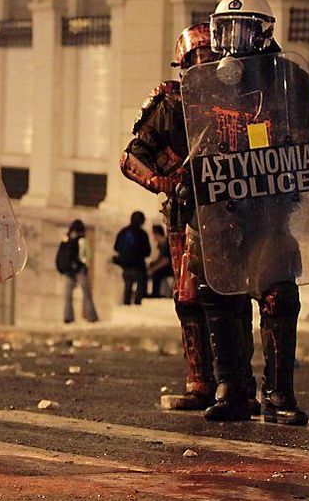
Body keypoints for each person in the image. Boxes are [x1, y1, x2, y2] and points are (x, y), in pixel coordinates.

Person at [120, 23, 257, 412]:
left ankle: (239, 383)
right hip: (186, 213)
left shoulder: (238, 99)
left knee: (234, 295)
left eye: (209, 61)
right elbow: (131, 158)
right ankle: (201, 383)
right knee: (189, 298)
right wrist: (164, 181)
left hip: (233, 213)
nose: (202, 68)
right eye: (194, 62)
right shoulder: (170, 104)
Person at [194, 0, 309, 425]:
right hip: (224, 211)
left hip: (270, 207)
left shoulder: (291, 79)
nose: (232, 43)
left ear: (263, 33)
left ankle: (279, 393)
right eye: (224, 31)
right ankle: (233, 388)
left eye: (243, 30)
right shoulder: (206, 82)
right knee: (218, 291)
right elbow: (198, 139)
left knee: (278, 294)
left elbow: (304, 144)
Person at [57, 220, 98, 324]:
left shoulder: (65, 239)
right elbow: (88, 255)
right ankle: (91, 317)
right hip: (80, 269)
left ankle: (68, 317)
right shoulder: (83, 241)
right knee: (87, 294)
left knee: (68, 296)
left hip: (68, 271)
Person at [114, 211, 151, 305]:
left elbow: (116, 247)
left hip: (125, 266)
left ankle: (126, 302)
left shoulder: (123, 232)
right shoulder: (142, 234)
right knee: (140, 285)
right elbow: (147, 251)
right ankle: (138, 302)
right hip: (138, 266)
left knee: (128, 285)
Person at [148, 225, 172, 298]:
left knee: (156, 273)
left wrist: (153, 269)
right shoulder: (161, 245)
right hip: (166, 266)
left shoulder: (165, 244)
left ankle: (156, 294)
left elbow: (165, 260)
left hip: (169, 268)